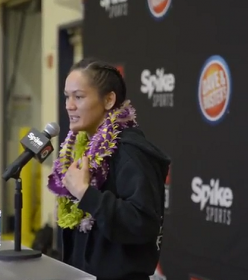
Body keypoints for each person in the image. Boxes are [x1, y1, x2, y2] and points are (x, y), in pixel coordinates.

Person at [47, 58, 170, 280]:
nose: (69, 105)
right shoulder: (81, 147)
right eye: (67, 96)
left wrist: (86, 194)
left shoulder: (130, 151)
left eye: (79, 96)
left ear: (109, 99)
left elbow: (143, 223)